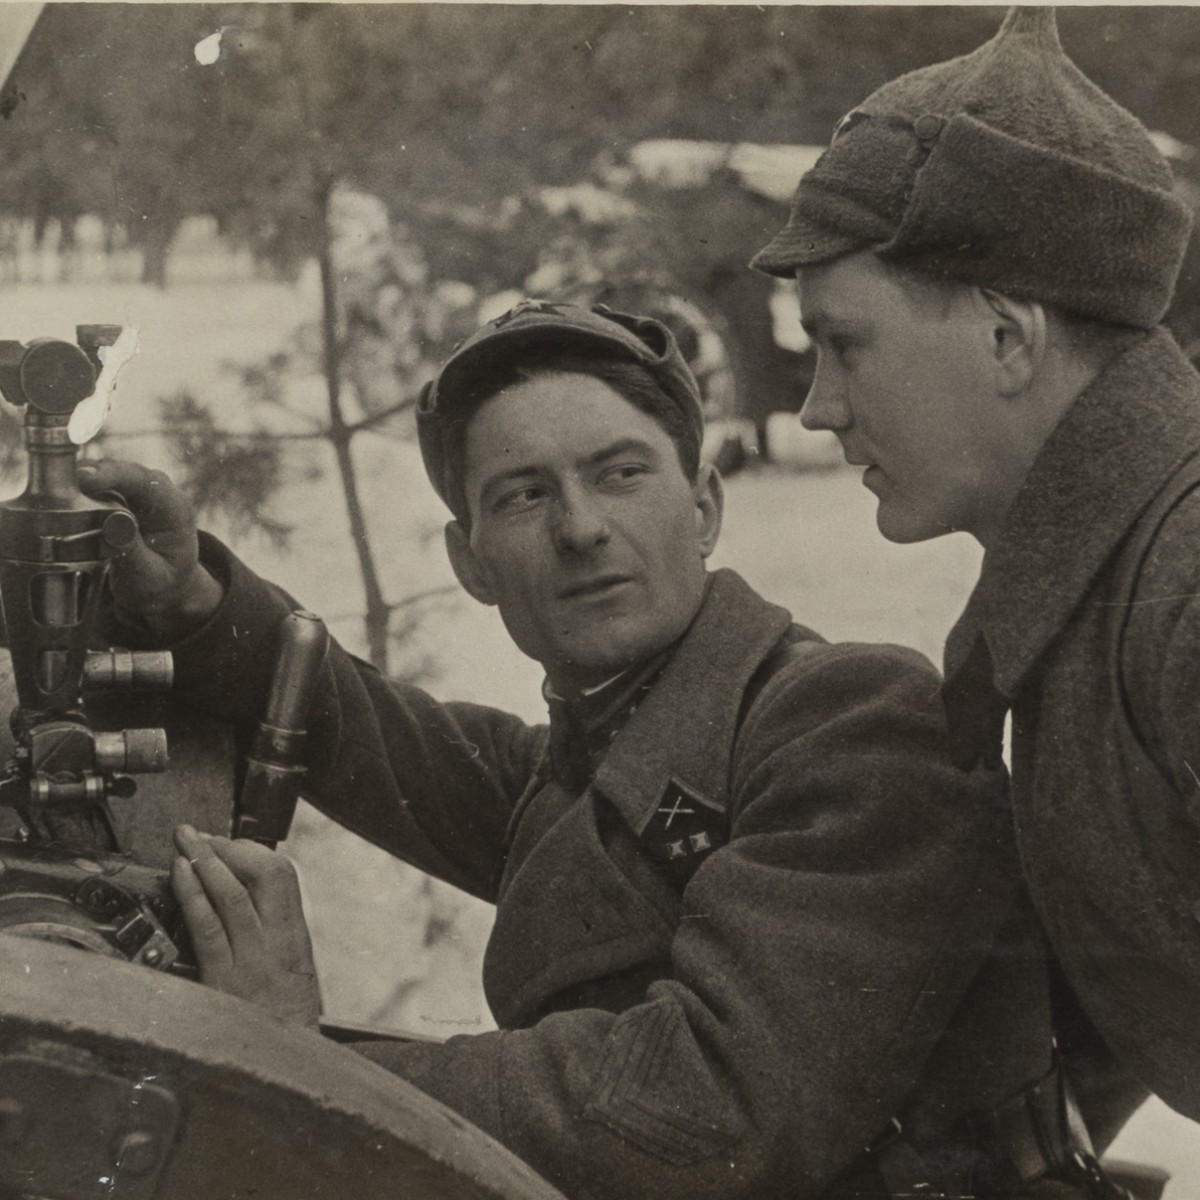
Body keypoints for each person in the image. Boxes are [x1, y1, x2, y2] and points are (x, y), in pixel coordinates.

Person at [88, 301, 1080, 1200]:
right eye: (523, 496)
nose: (581, 529)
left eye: (621, 474)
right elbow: (376, 733)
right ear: (471, 562)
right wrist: (192, 602)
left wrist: (308, 1066)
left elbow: (712, 1108)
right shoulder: (595, 753)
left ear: (704, 508)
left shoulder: (850, 718)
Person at [751, 6, 1200, 1129]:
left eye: (843, 344)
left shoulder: (1182, 593)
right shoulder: (1096, 579)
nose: (818, 409)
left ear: (1009, 338)